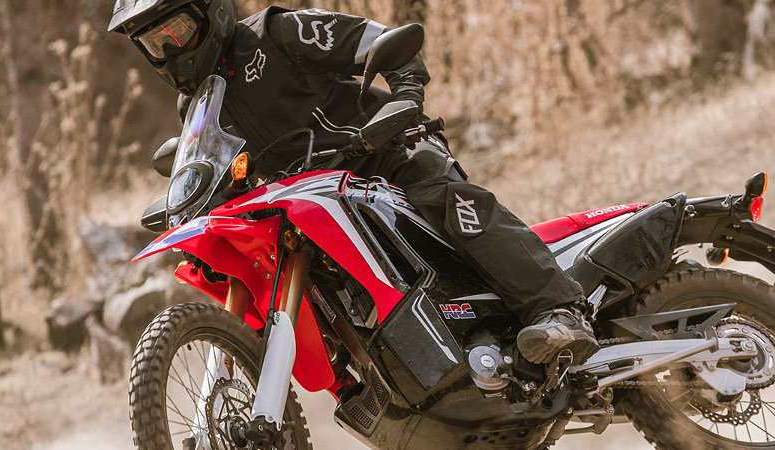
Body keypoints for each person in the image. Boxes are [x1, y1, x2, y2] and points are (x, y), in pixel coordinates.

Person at [108, 0, 597, 364]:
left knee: (446, 199)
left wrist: (405, 97)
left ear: (209, 10)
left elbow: (378, 40)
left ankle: (559, 309)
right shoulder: (195, 107)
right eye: (156, 43)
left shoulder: (277, 33)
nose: (170, 49)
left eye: (176, 31)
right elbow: (216, 168)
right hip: (307, 209)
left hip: (382, 157)